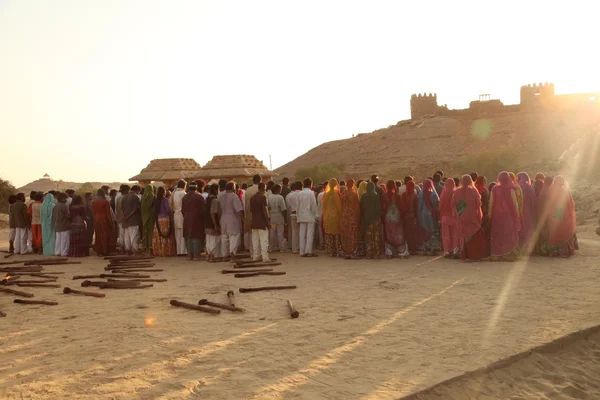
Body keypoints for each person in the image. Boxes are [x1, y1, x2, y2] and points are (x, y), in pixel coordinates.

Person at [452, 175, 489, 261]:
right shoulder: (473, 191)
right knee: (474, 235)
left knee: (464, 236)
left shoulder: (457, 192)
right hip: (472, 217)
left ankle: (466, 255)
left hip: (461, 218)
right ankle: (475, 255)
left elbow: (453, 204)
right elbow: (478, 204)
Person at [489, 172, 521, 261]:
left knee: (497, 235)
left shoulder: (494, 189)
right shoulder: (511, 189)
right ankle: (508, 255)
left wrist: (489, 214)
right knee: (508, 235)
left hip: (497, 216)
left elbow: (491, 203)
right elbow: (515, 204)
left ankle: (497, 255)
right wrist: (517, 215)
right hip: (508, 216)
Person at [546, 176, 578, 257]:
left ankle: (557, 251)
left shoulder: (557, 190)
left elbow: (556, 205)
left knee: (557, 231)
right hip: (566, 215)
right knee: (564, 231)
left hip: (558, 213)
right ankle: (566, 251)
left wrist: (554, 218)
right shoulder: (565, 190)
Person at [382, 179, 409, 258]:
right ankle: (400, 251)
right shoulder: (397, 196)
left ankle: (389, 252)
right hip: (396, 218)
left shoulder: (384, 196)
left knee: (389, 234)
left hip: (388, 218)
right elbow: (401, 207)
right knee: (398, 234)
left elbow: (383, 208)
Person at [220, 182, 244, 259]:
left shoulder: (220, 196)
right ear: (233, 188)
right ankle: (232, 254)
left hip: (223, 219)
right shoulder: (234, 196)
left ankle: (224, 256)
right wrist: (244, 219)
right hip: (233, 219)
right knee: (234, 237)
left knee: (224, 238)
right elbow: (239, 210)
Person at [182, 183, 205, 261]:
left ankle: (190, 255)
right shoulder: (199, 197)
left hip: (186, 218)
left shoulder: (185, 197)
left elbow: (182, 210)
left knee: (188, 237)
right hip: (196, 218)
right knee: (196, 237)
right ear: (196, 188)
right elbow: (203, 209)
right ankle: (196, 256)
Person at [339, 179, 362, 258]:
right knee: (352, 233)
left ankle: (345, 252)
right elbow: (356, 207)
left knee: (345, 233)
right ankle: (352, 252)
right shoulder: (354, 194)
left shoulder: (342, 194)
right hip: (352, 216)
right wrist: (358, 216)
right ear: (352, 185)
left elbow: (341, 206)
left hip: (344, 215)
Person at [418, 180, 441, 255]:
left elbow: (419, 205)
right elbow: (436, 204)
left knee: (424, 231)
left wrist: (419, 214)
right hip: (431, 214)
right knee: (432, 231)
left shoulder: (421, 194)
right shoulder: (433, 194)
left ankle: (424, 249)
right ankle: (432, 249)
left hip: (422, 215)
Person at [152, 186, 176, 257]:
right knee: (166, 236)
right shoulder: (165, 200)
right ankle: (166, 251)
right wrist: (172, 211)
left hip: (158, 220)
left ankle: (159, 251)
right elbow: (168, 210)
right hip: (165, 220)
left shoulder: (156, 200)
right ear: (164, 192)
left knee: (159, 236)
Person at [360, 182, 382, 259]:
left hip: (367, 218)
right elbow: (378, 208)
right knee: (375, 236)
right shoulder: (376, 196)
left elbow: (361, 207)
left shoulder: (364, 196)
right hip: (375, 219)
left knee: (368, 237)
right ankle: (376, 253)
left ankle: (369, 254)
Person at [296, 177, 318, 257]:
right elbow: (313, 205)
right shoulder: (311, 193)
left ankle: (302, 252)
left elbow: (297, 207)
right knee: (309, 234)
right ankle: (308, 251)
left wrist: (298, 216)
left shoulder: (299, 194)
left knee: (302, 234)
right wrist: (316, 215)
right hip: (310, 216)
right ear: (311, 185)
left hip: (301, 216)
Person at [517, 172, 537, 255]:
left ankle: (519, 248)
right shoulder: (529, 187)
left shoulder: (517, 187)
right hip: (528, 211)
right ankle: (528, 250)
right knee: (528, 229)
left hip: (518, 211)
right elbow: (533, 200)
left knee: (520, 229)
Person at [439, 178, 459, 258]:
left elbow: (440, 206)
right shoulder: (456, 193)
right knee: (454, 234)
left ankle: (447, 251)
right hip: (454, 216)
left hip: (445, 217)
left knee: (445, 234)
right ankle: (454, 250)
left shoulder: (444, 194)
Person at [250, 183, 270, 262]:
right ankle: (265, 257)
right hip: (262, 222)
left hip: (254, 222)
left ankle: (256, 256)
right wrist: (267, 222)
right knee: (264, 240)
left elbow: (251, 210)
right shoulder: (263, 197)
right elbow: (264, 211)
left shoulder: (252, 198)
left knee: (255, 241)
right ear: (263, 188)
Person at [92, 189, 116, 257]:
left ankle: (99, 251)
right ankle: (105, 251)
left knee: (98, 235)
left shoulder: (94, 202)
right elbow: (108, 213)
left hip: (96, 219)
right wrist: (111, 222)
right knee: (105, 235)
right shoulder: (105, 202)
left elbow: (93, 212)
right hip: (104, 219)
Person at [322, 178, 342, 256]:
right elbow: (338, 206)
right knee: (336, 233)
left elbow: (324, 206)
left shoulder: (326, 194)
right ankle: (336, 251)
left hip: (327, 216)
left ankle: (330, 251)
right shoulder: (335, 194)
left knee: (329, 233)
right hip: (335, 216)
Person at [244, 174, 262, 259]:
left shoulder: (248, 190)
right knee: (261, 235)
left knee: (252, 235)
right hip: (261, 215)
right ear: (260, 180)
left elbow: (245, 204)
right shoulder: (262, 189)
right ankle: (260, 253)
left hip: (250, 215)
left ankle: (253, 253)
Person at [400, 180, 419, 254]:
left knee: (406, 233)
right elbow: (416, 207)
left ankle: (406, 248)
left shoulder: (404, 194)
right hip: (411, 216)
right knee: (412, 234)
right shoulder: (414, 195)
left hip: (405, 216)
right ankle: (413, 249)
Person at [204, 184, 222, 262]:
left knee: (209, 240)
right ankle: (212, 257)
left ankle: (209, 256)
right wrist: (216, 224)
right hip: (212, 222)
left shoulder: (206, 199)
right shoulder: (214, 200)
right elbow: (213, 213)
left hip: (206, 222)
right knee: (214, 240)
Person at [122, 185, 141, 254]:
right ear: (137, 190)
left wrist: (125, 216)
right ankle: (134, 251)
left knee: (127, 236)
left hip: (126, 220)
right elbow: (136, 209)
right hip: (133, 220)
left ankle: (127, 251)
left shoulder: (125, 197)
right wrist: (129, 216)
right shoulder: (135, 197)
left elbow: (122, 208)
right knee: (134, 236)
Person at [268, 184, 287, 252]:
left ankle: (271, 248)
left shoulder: (269, 197)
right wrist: (285, 219)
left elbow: (268, 207)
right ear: (278, 189)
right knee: (280, 233)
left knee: (272, 233)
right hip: (279, 217)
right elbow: (283, 209)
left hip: (272, 217)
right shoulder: (280, 197)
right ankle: (281, 248)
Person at [171, 180, 187, 256]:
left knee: (178, 235)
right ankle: (183, 251)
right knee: (183, 234)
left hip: (176, 215)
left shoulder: (174, 193)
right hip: (182, 215)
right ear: (184, 186)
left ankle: (179, 251)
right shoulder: (183, 193)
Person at [286, 181, 301, 254]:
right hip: (300, 215)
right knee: (301, 232)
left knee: (294, 233)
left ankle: (294, 249)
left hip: (292, 214)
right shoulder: (301, 194)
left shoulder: (290, 195)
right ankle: (301, 248)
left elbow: (289, 206)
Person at [141, 185, 155, 256]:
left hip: (144, 217)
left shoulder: (143, 197)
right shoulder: (152, 196)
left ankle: (145, 249)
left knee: (145, 232)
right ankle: (150, 250)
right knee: (150, 233)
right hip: (150, 217)